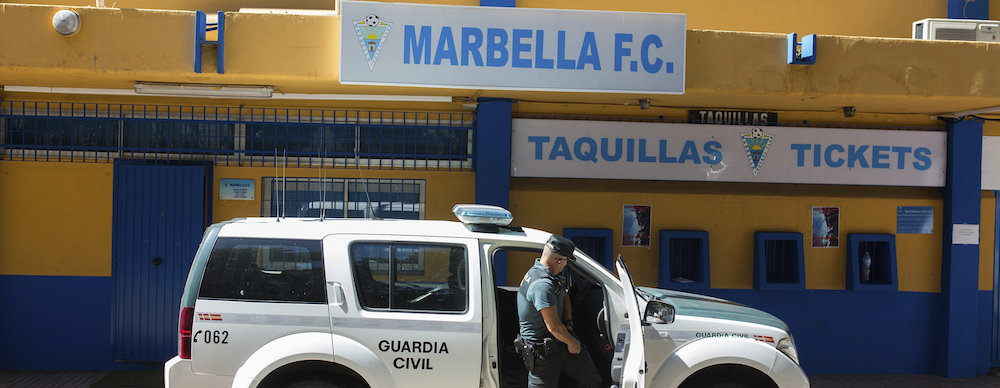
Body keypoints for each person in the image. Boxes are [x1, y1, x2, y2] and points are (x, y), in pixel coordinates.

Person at [515, 235, 601, 388]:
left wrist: (568, 325)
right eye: (566, 263)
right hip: (543, 352)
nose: (565, 266)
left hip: (559, 341)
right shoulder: (542, 285)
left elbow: (564, 294)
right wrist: (572, 341)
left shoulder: (545, 275)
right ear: (560, 261)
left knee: (592, 381)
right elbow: (553, 327)